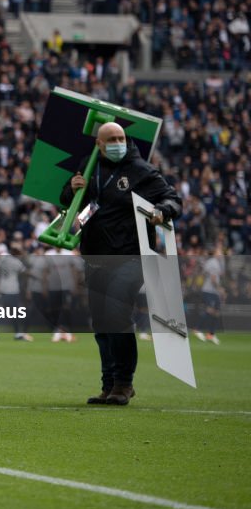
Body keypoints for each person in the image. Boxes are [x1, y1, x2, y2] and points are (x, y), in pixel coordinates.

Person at [61, 122, 181, 406]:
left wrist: (162, 211)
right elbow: (75, 206)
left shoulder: (142, 171)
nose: (118, 142)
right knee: (102, 322)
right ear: (99, 145)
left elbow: (173, 199)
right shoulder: (89, 168)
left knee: (116, 311)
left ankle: (124, 383)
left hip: (132, 254)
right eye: (111, 139)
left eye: (121, 138)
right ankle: (108, 385)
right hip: (96, 255)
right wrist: (71, 189)